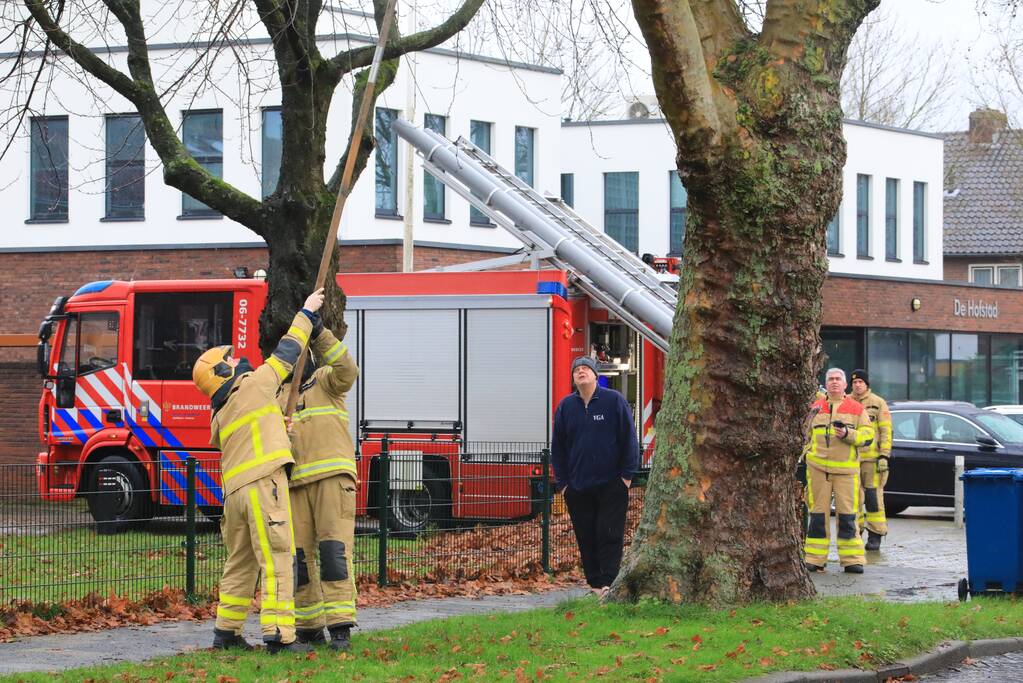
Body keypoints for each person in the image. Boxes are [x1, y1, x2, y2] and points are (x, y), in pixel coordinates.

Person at [192, 287, 324, 654]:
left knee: (241, 563)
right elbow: (286, 354)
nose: (240, 360)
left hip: (234, 496)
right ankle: (280, 636)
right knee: (278, 557)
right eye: (232, 359)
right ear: (224, 372)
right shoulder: (251, 386)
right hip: (264, 486)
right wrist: (306, 313)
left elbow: (253, 436)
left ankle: (226, 632)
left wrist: (278, 427)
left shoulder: (223, 413)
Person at [280, 320, 360, 651]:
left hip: (331, 479)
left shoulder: (326, 381)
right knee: (299, 560)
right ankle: (309, 626)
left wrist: (320, 334)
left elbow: (348, 370)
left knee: (333, 552)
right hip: (296, 486)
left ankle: (340, 626)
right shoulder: (280, 397)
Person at [551, 356, 640, 597]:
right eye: (576, 370)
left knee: (609, 533)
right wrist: (564, 484)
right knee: (586, 535)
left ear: (595, 375)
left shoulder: (614, 401)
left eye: (585, 369)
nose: (581, 372)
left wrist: (626, 477)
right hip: (577, 487)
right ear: (573, 378)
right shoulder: (566, 407)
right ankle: (594, 585)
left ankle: (608, 583)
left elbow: (629, 440)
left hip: (612, 484)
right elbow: (558, 449)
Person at [803, 368, 873, 574]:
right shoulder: (816, 407)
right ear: (826, 384)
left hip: (846, 472)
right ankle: (814, 558)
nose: (834, 382)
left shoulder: (856, 408)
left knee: (848, 516)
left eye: (838, 379)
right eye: (831, 379)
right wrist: (807, 453)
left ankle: (852, 560)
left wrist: (848, 434)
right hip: (817, 470)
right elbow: (804, 434)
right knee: (817, 516)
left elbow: (868, 436)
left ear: (845, 385)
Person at [849, 369, 892, 551]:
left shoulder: (878, 403)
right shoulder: (846, 402)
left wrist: (884, 455)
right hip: (850, 459)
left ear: (867, 384)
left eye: (861, 382)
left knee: (873, 498)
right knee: (853, 499)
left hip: (872, 460)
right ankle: (855, 532)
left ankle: (875, 534)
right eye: (854, 382)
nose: (858, 385)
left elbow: (886, 431)